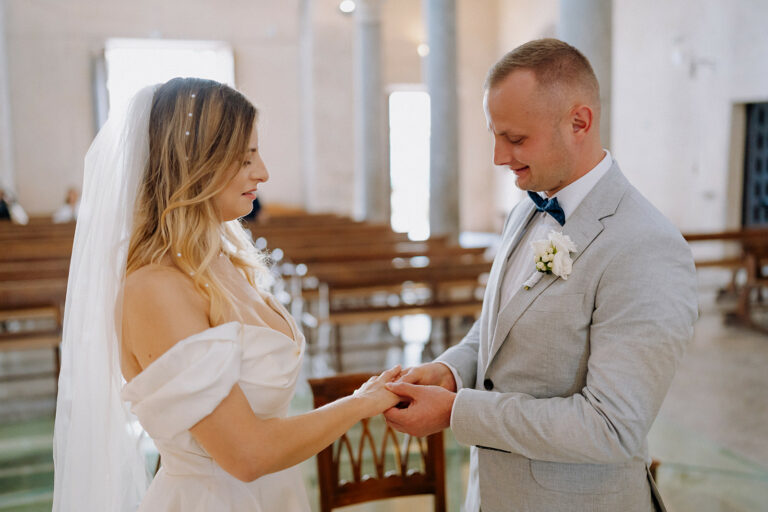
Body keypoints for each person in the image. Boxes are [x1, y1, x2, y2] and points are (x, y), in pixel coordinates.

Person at [52, 77, 401, 512]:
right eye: (245, 158)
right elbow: (246, 454)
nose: (263, 173)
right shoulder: (154, 288)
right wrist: (358, 405)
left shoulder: (224, 259)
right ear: (195, 164)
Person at [383, 39, 698, 512]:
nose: (498, 156)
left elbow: (611, 427)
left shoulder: (645, 246)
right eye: (494, 135)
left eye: (515, 138)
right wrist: (450, 372)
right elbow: (500, 329)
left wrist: (456, 411)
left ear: (579, 123)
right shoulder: (524, 212)